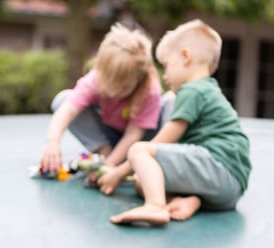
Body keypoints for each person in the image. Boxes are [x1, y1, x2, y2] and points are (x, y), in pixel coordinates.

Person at [97, 19, 251, 225]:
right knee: (143, 181)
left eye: (167, 66)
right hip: (228, 190)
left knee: (139, 150)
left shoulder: (193, 89)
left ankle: (155, 207)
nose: (165, 76)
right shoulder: (207, 89)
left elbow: (163, 141)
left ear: (186, 57)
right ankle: (187, 201)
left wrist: (119, 172)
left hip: (218, 166)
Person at [40, 23, 171, 175]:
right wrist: (53, 142)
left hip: (141, 140)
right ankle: (103, 150)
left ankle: (147, 159)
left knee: (171, 101)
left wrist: (109, 166)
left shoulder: (148, 90)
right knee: (63, 100)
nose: (112, 91)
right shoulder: (95, 79)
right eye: (108, 83)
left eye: (123, 87)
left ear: (139, 79)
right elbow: (68, 110)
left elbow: (133, 134)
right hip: (111, 135)